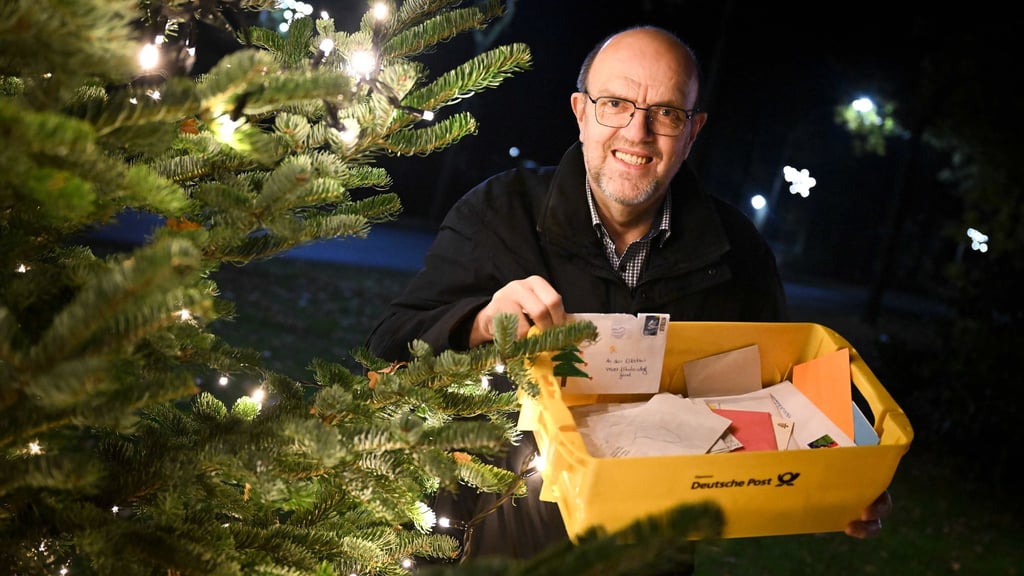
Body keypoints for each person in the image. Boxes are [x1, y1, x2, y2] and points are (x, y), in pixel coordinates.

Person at [367, 24, 891, 572]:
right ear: (580, 110)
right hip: (481, 547)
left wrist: (837, 486)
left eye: (665, 113)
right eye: (615, 103)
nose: (637, 132)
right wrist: (477, 323)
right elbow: (386, 350)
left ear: (693, 131)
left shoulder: (738, 254)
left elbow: (780, 408)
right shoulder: (500, 212)